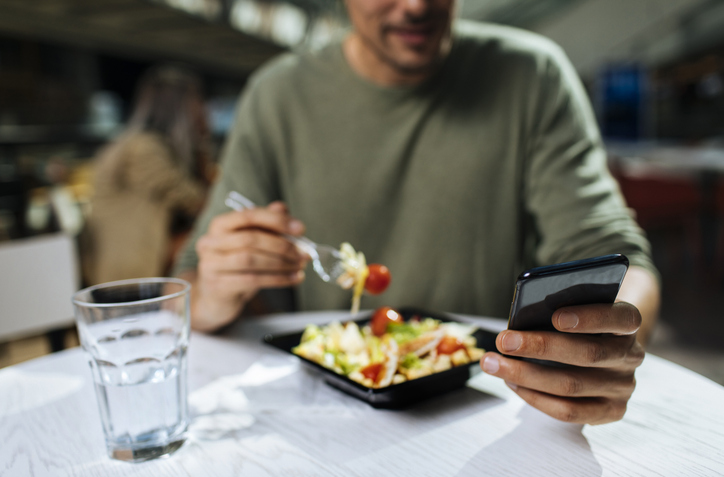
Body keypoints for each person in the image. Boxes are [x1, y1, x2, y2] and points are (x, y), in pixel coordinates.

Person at [174, 0, 660, 425]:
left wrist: (605, 346)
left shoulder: (533, 75)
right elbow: (190, 280)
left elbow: (616, 256)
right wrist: (215, 291)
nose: (415, 5)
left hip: (490, 402)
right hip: (324, 415)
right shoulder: (275, 96)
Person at [86, 65, 214, 285]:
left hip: (132, 264)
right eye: (199, 102)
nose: (204, 110)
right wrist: (202, 141)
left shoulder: (138, 143)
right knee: (213, 246)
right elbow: (200, 202)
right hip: (130, 271)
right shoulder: (143, 148)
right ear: (179, 106)